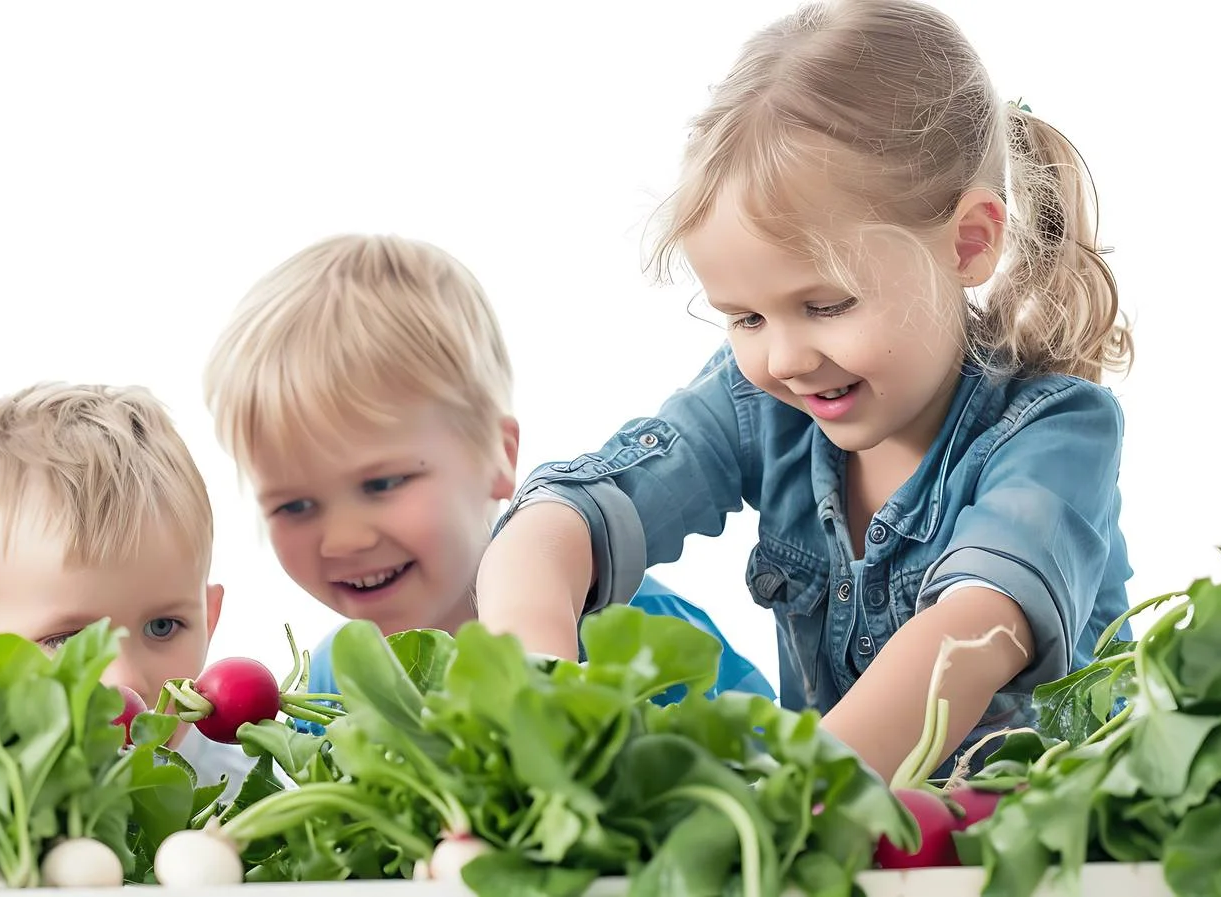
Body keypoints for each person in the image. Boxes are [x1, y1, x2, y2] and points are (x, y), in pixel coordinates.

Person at [472, 0, 1136, 781]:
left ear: (967, 242)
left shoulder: (1056, 432)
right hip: (847, 850)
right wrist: (536, 688)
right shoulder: (766, 407)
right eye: (746, 316)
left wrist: (791, 800)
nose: (783, 357)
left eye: (826, 305)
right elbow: (565, 514)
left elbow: (967, 634)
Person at [201, 233, 775, 720]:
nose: (345, 538)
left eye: (381, 485)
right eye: (295, 507)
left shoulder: (642, 640)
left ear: (499, 460)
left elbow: (785, 791)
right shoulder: (324, 693)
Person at [0, 381, 264, 797]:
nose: (125, 681)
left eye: (162, 627)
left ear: (209, 621)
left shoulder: (246, 793)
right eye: (66, 640)